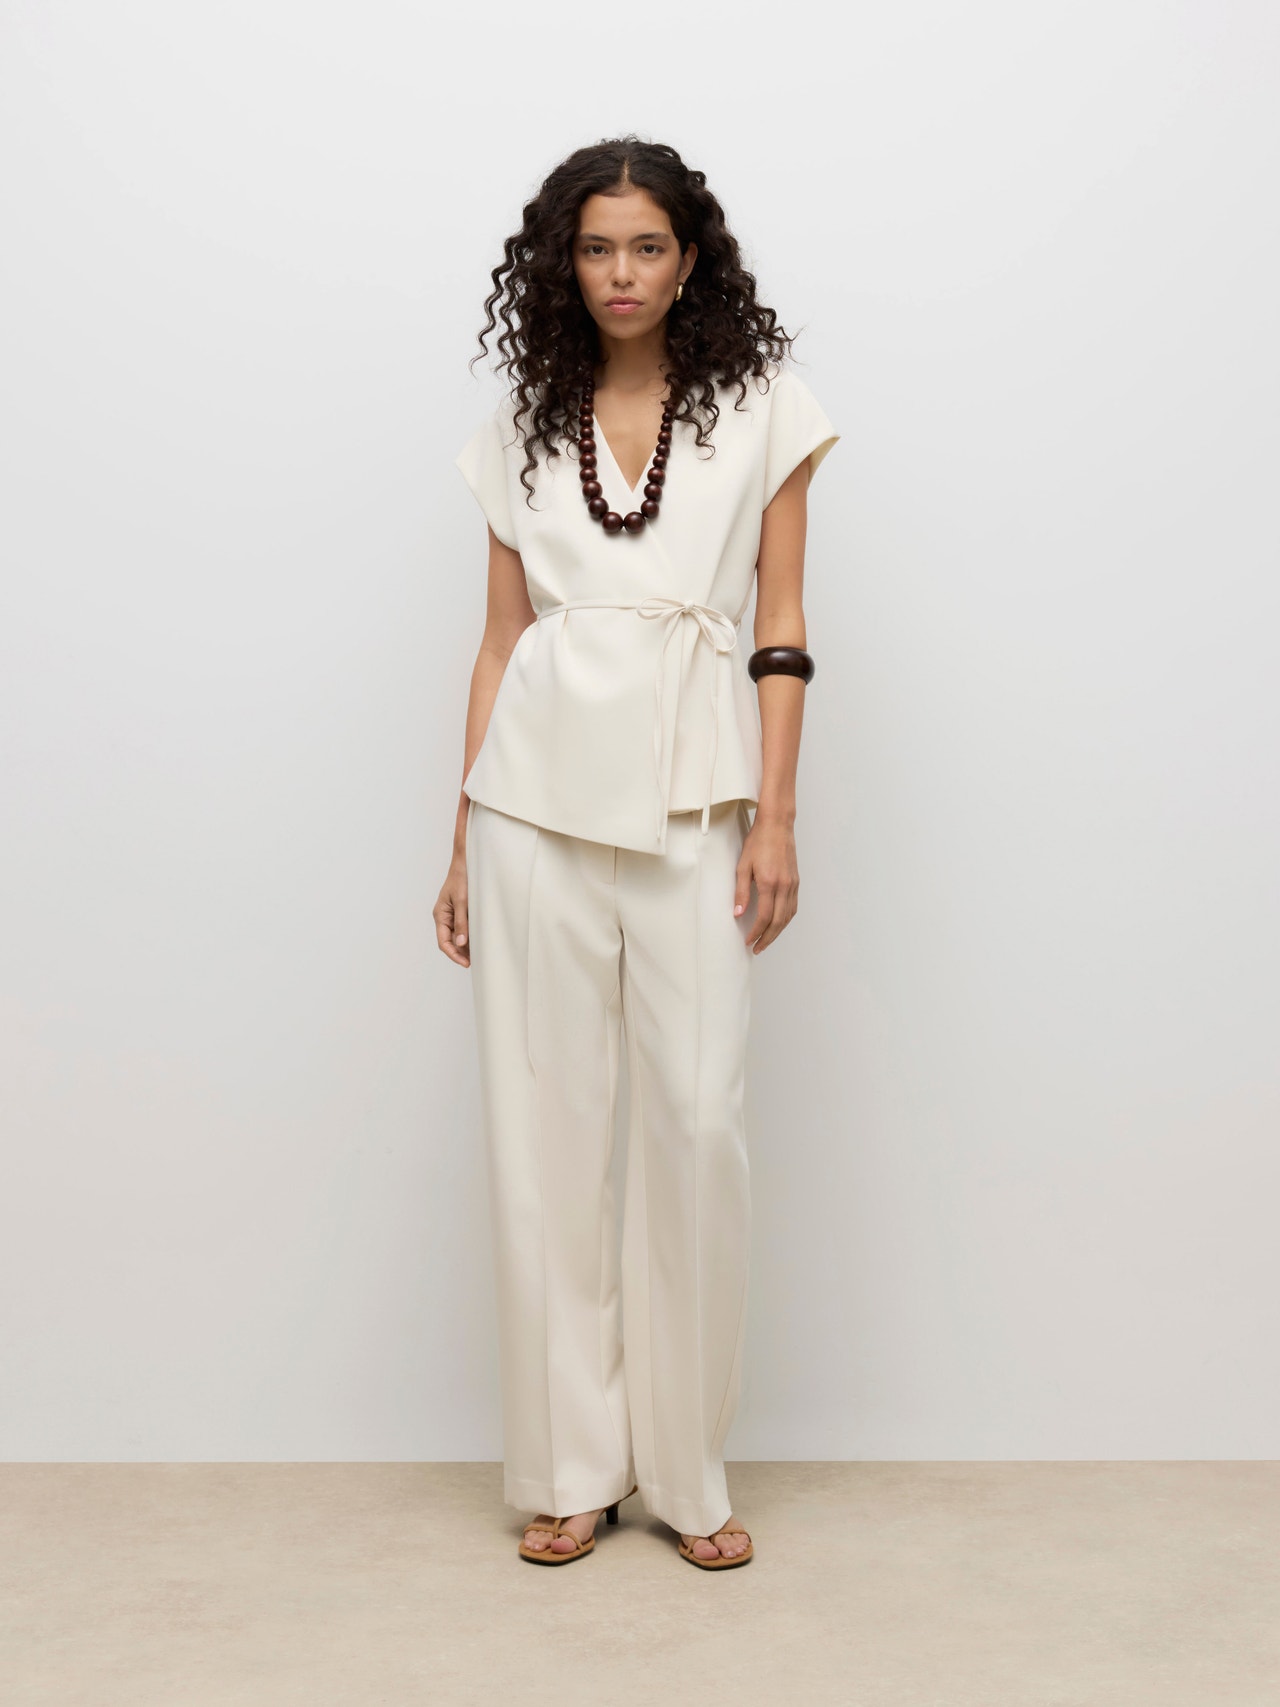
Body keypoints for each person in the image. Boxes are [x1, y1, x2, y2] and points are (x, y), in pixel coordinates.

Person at [434, 136, 838, 1570]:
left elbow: (780, 628)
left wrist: (777, 815)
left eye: (647, 247)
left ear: (689, 258)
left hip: (695, 793)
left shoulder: (764, 408)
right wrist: (459, 839)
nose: (621, 274)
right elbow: (500, 643)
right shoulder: (523, 424)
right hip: (530, 801)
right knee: (545, 1131)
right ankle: (570, 1466)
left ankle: (686, 1468)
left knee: (697, 1122)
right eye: (597, 248)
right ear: (566, 262)